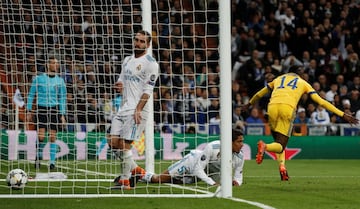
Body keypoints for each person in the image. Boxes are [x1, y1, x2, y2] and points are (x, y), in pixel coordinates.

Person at [242, 66, 359, 181]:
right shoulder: (302, 82)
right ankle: (265, 146)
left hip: (272, 107)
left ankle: (282, 167)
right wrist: (342, 114)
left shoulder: (278, 79)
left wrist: (249, 104)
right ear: (300, 74)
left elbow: (259, 94)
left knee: (278, 141)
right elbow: (321, 101)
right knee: (281, 145)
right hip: (287, 108)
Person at [108, 30, 159, 189]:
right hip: (123, 108)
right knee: (112, 142)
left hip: (137, 110)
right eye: (136, 40)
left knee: (124, 144)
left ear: (148, 45)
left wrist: (138, 109)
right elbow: (121, 80)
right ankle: (136, 170)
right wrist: (119, 86)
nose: (138, 43)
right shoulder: (127, 60)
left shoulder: (151, 63)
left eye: (142, 41)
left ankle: (125, 181)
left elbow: (148, 91)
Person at [131, 127, 245, 187]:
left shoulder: (240, 157)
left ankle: (140, 175)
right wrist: (212, 183)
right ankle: (139, 172)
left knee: (173, 183)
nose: (242, 144)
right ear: (230, 142)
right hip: (191, 163)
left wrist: (236, 182)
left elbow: (238, 176)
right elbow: (198, 168)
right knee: (159, 179)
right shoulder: (212, 147)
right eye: (239, 142)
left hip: (203, 174)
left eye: (242, 141)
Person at [26, 56, 67, 170]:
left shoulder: (60, 81)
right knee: (41, 136)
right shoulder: (38, 79)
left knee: (53, 137)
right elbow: (31, 95)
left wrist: (62, 114)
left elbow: (62, 98)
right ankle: (38, 157)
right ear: (48, 64)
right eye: (53, 63)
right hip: (42, 108)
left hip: (54, 109)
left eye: (57, 63)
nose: (56, 65)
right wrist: (29, 110)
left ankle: (52, 162)